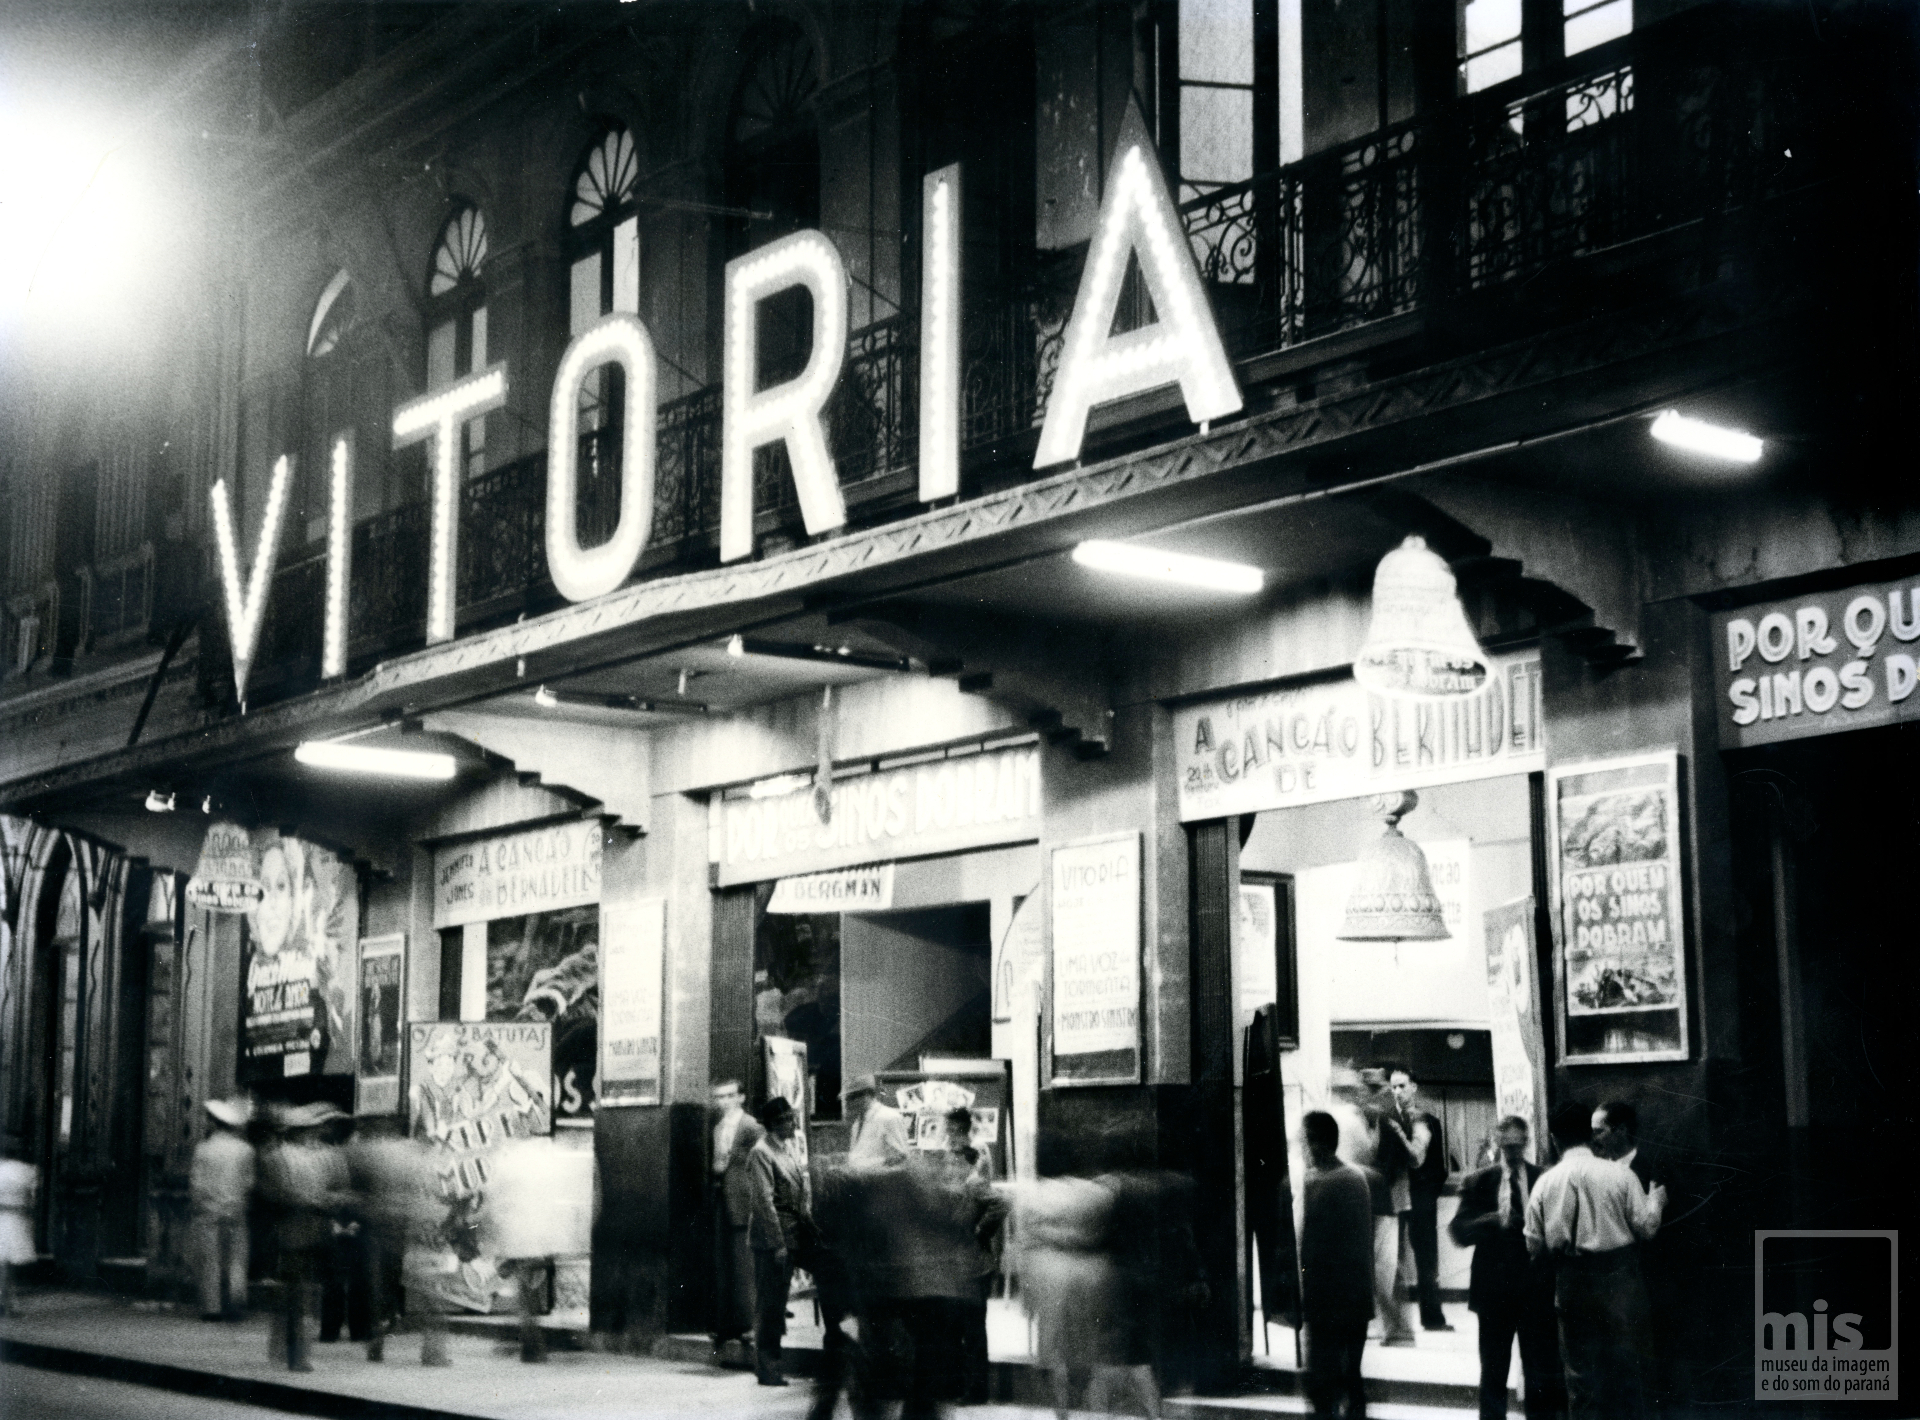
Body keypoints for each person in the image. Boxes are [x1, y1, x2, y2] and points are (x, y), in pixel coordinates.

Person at [1526, 1101, 1665, 1420]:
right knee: (1633, 1373)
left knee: (1580, 1379)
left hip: (1571, 1283)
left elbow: (1534, 1245)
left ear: (1553, 1137)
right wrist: (1656, 1201)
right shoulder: (1620, 1174)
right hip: (1621, 1281)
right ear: (1590, 1136)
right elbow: (1647, 1228)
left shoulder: (1545, 1183)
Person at [1449, 1116, 1563, 1420]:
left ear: (1526, 1143)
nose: (1512, 1152)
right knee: (1493, 1372)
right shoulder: (1479, 1181)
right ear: (1498, 1144)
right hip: (1493, 1293)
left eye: (1517, 1145)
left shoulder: (1543, 1179)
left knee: (1538, 1373)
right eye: (1506, 1145)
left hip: (1534, 1291)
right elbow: (1458, 1231)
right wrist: (1487, 1222)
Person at [259, 1102, 355, 1372]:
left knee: (307, 1296)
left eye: (314, 1129)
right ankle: (294, 1354)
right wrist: (314, 1200)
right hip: (291, 1232)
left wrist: (329, 1201)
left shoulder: (328, 1156)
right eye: (307, 1129)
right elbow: (276, 1194)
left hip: (320, 1232)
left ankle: (290, 1351)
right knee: (295, 1297)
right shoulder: (276, 1158)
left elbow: (342, 1191)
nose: (313, 1134)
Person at [1299, 1110, 1374, 1418]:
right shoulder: (1353, 1177)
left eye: (1302, 1141)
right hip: (1352, 1298)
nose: (1300, 1149)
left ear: (1316, 1144)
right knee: (1348, 1379)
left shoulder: (1330, 1182)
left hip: (1332, 1300)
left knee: (1327, 1383)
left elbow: (1317, 1247)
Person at [748, 1094, 812, 1386]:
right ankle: (768, 1367)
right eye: (788, 1119)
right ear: (776, 1123)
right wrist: (778, 1244)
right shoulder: (762, 1152)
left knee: (777, 1301)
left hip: (793, 1234)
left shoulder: (784, 1149)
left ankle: (772, 1363)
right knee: (770, 1306)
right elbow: (763, 1202)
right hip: (773, 1239)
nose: (793, 1123)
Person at [1389, 1067, 1449, 1331]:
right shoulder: (1388, 1122)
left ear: (1414, 1087)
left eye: (1402, 1086)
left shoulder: (1429, 1121)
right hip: (1394, 1197)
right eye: (1394, 1087)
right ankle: (1393, 1322)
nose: (1398, 1092)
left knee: (1427, 1260)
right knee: (1391, 1257)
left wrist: (1428, 1194)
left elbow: (1439, 1166)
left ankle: (1432, 1317)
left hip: (1422, 1198)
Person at [1359, 1064, 1416, 1346]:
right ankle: (1391, 1326)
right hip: (1375, 1200)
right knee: (1382, 1266)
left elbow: (1394, 1162)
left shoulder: (1387, 1117)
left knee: (1387, 1266)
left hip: (1385, 1200)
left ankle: (1399, 1329)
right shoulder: (1374, 1117)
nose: (1368, 1095)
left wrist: (1377, 1184)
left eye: (1373, 1089)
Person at [189, 1097, 256, 1322]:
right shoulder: (245, 1150)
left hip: (208, 1211)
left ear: (214, 1123)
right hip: (236, 1210)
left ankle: (212, 1307)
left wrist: (201, 1204)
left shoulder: (203, 1149)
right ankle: (235, 1302)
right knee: (236, 1259)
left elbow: (196, 1184)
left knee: (210, 1259)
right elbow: (249, 1183)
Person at [710, 1079, 764, 1351]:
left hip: (744, 1202)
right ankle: (728, 1325)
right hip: (723, 1199)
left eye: (730, 1096)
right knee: (726, 1264)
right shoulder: (718, 1128)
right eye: (719, 1097)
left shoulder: (751, 1126)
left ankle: (751, 1326)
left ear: (741, 1097)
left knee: (746, 1267)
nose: (724, 1101)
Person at [0, 1149, 38, 1318]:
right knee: (7, 1265)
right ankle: (8, 1305)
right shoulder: (27, 1171)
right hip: (15, 1219)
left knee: (3, 1264)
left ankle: (6, 1304)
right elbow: (31, 1201)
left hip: (4, 1216)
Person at [844, 1075, 910, 1169]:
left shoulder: (889, 1117)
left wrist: (874, 1164)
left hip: (880, 1180)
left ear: (866, 1094)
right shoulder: (858, 1122)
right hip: (859, 1180)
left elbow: (901, 1156)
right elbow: (857, 1156)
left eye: (852, 1097)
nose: (849, 1102)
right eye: (847, 1098)